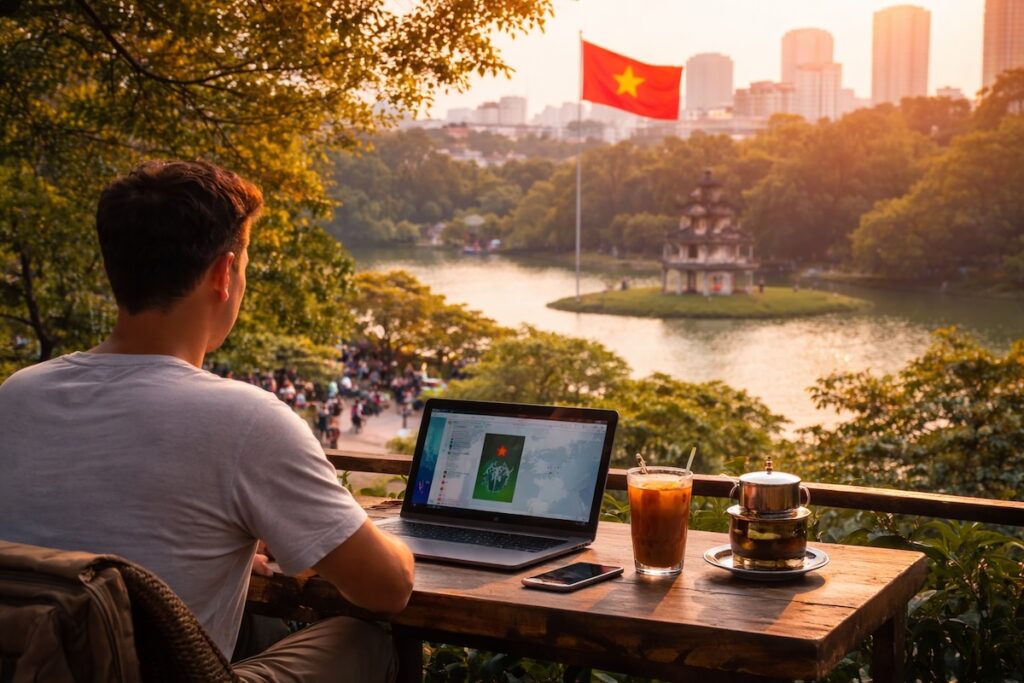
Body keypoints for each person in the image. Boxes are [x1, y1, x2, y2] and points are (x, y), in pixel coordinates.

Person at [0, 160, 414, 682]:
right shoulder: (248, 420)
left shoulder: (18, 394)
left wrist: (232, 537)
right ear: (223, 275)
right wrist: (395, 541)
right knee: (364, 639)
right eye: (244, 267)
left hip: (37, 668)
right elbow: (388, 588)